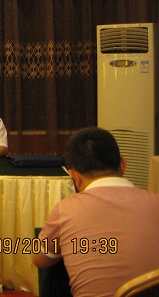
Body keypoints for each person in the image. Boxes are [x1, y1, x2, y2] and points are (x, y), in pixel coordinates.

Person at [33, 127, 159, 297]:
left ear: (74, 177)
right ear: (123, 164)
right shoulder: (156, 202)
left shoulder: (66, 210)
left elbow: (40, 259)